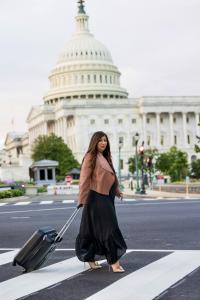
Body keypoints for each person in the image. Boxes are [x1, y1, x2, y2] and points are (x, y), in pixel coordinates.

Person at [75, 131, 127, 272]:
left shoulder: (105, 157)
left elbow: (111, 177)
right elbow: (84, 180)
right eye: (100, 140)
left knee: (93, 229)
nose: (103, 143)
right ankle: (114, 261)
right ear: (94, 142)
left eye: (105, 140)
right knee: (109, 228)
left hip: (106, 197)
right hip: (95, 197)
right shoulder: (90, 157)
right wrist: (82, 199)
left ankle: (90, 259)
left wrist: (117, 191)